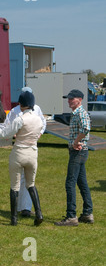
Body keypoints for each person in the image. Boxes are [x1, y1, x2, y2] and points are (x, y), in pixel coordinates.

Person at [0, 91, 44, 226]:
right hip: (33, 153)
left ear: (21, 105)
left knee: (14, 186)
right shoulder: (39, 119)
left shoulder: (20, 119)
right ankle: (39, 213)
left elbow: (5, 134)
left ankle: (14, 219)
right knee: (31, 185)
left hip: (19, 152)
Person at [55, 89, 94, 226]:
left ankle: (71, 216)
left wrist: (76, 142)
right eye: (68, 98)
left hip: (78, 151)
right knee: (81, 182)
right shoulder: (76, 113)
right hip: (80, 152)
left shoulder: (81, 113)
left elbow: (85, 129)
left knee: (70, 183)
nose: (69, 101)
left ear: (80, 100)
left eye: (72, 98)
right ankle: (87, 213)